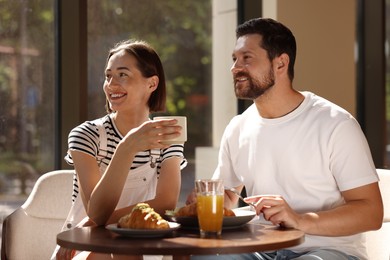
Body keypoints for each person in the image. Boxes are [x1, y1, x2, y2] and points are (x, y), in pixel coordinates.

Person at [190, 18, 383, 260]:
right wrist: (201, 204)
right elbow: (227, 195)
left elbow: (371, 213)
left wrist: (300, 220)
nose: (235, 67)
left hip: (327, 250)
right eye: (234, 59)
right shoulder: (238, 127)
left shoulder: (335, 123)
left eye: (246, 58)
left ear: (280, 63)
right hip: (261, 251)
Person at [54, 39, 187, 260]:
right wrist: (126, 149)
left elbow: (166, 202)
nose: (111, 84)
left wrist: (100, 223)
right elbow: (97, 212)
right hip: (88, 244)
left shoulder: (167, 135)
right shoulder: (85, 135)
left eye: (122, 75)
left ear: (152, 84)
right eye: (108, 76)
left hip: (144, 245)